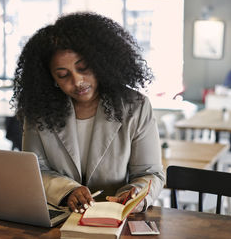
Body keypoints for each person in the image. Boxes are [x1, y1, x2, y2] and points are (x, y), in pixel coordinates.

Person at [12, 12, 165, 214]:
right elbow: (34, 171)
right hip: (60, 218)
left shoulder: (135, 106)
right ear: (50, 78)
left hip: (116, 218)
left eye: (83, 68)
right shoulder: (39, 111)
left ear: (100, 61)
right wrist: (67, 191)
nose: (77, 82)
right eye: (63, 75)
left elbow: (150, 173)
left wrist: (133, 194)